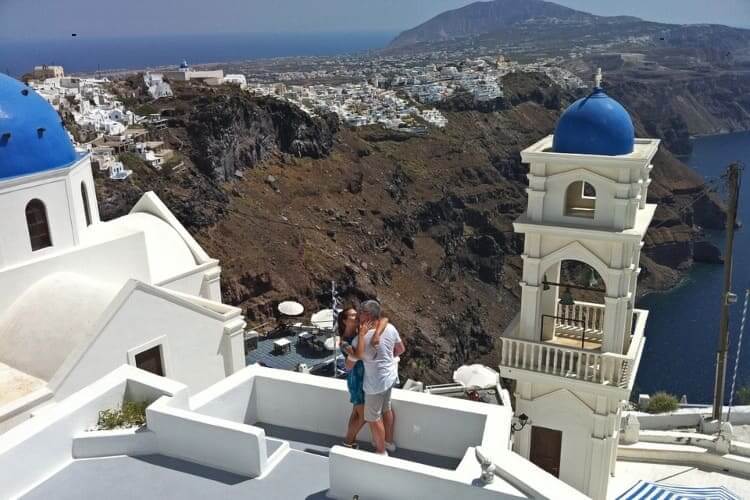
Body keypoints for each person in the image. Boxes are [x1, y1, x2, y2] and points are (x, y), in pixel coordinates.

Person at [354, 300, 405, 455]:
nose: (358, 315)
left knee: (373, 418)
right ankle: (388, 442)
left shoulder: (360, 340)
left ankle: (381, 451)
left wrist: (361, 335)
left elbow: (356, 358)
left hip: (375, 384)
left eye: (361, 312)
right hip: (389, 377)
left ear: (368, 315)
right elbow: (401, 349)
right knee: (386, 408)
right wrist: (386, 359)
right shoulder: (390, 328)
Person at [339, 305, 390, 449]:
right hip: (356, 380)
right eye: (352, 316)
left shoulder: (359, 330)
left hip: (365, 378)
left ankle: (350, 442)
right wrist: (362, 335)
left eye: (357, 315)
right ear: (344, 321)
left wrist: (376, 334)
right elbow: (357, 355)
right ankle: (348, 441)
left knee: (356, 413)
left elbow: (384, 318)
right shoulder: (344, 342)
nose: (357, 317)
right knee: (364, 416)